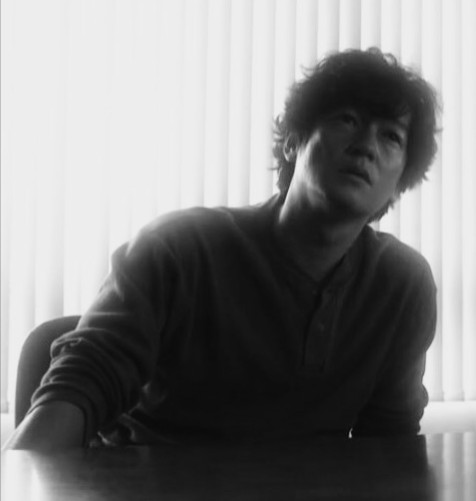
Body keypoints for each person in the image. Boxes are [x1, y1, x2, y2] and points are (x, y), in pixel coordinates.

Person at [5, 48, 440, 451]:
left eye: (391, 137)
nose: (366, 146)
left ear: (399, 183)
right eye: (347, 120)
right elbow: (83, 382)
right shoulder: (179, 248)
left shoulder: (403, 285)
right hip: (146, 483)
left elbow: (390, 441)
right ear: (293, 142)